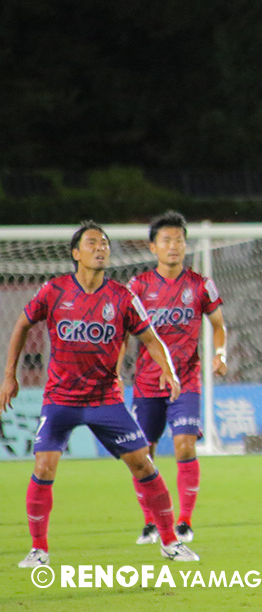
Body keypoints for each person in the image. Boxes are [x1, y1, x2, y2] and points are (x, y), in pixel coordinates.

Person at [0, 221, 199, 567]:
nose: (101, 248)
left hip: (105, 400)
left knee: (143, 464)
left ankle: (170, 541)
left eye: (104, 243)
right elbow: (22, 324)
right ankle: (38, 549)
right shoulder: (54, 291)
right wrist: (9, 376)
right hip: (60, 399)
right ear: (76, 253)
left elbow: (151, 339)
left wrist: (167, 369)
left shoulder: (122, 297)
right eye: (92, 243)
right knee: (44, 466)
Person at [122, 211, 227, 545]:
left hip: (186, 380)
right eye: (166, 240)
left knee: (184, 445)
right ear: (153, 247)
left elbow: (218, 324)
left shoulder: (200, 284)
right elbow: (122, 334)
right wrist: (115, 370)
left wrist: (220, 354)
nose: (174, 246)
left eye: (179, 240)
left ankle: (184, 521)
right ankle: (150, 523)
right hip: (147, 382)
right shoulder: (138, 287)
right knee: (143, 454)